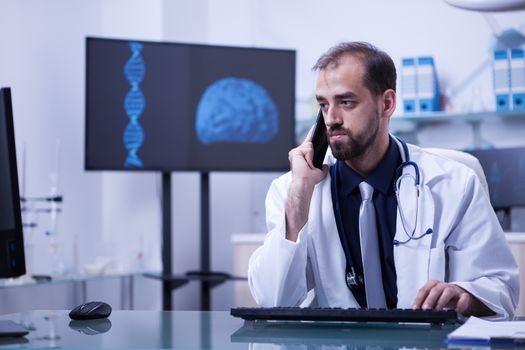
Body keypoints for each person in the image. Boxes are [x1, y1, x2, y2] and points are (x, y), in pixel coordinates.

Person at [248, 42, 519, 318]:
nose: (331, 119)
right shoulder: (293, 190)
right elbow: (272, 300)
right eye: (323, 105)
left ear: (387, 103)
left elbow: (501, 290)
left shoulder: (455, 183)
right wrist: (300, 196)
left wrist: (464, 294)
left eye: (346, 102)